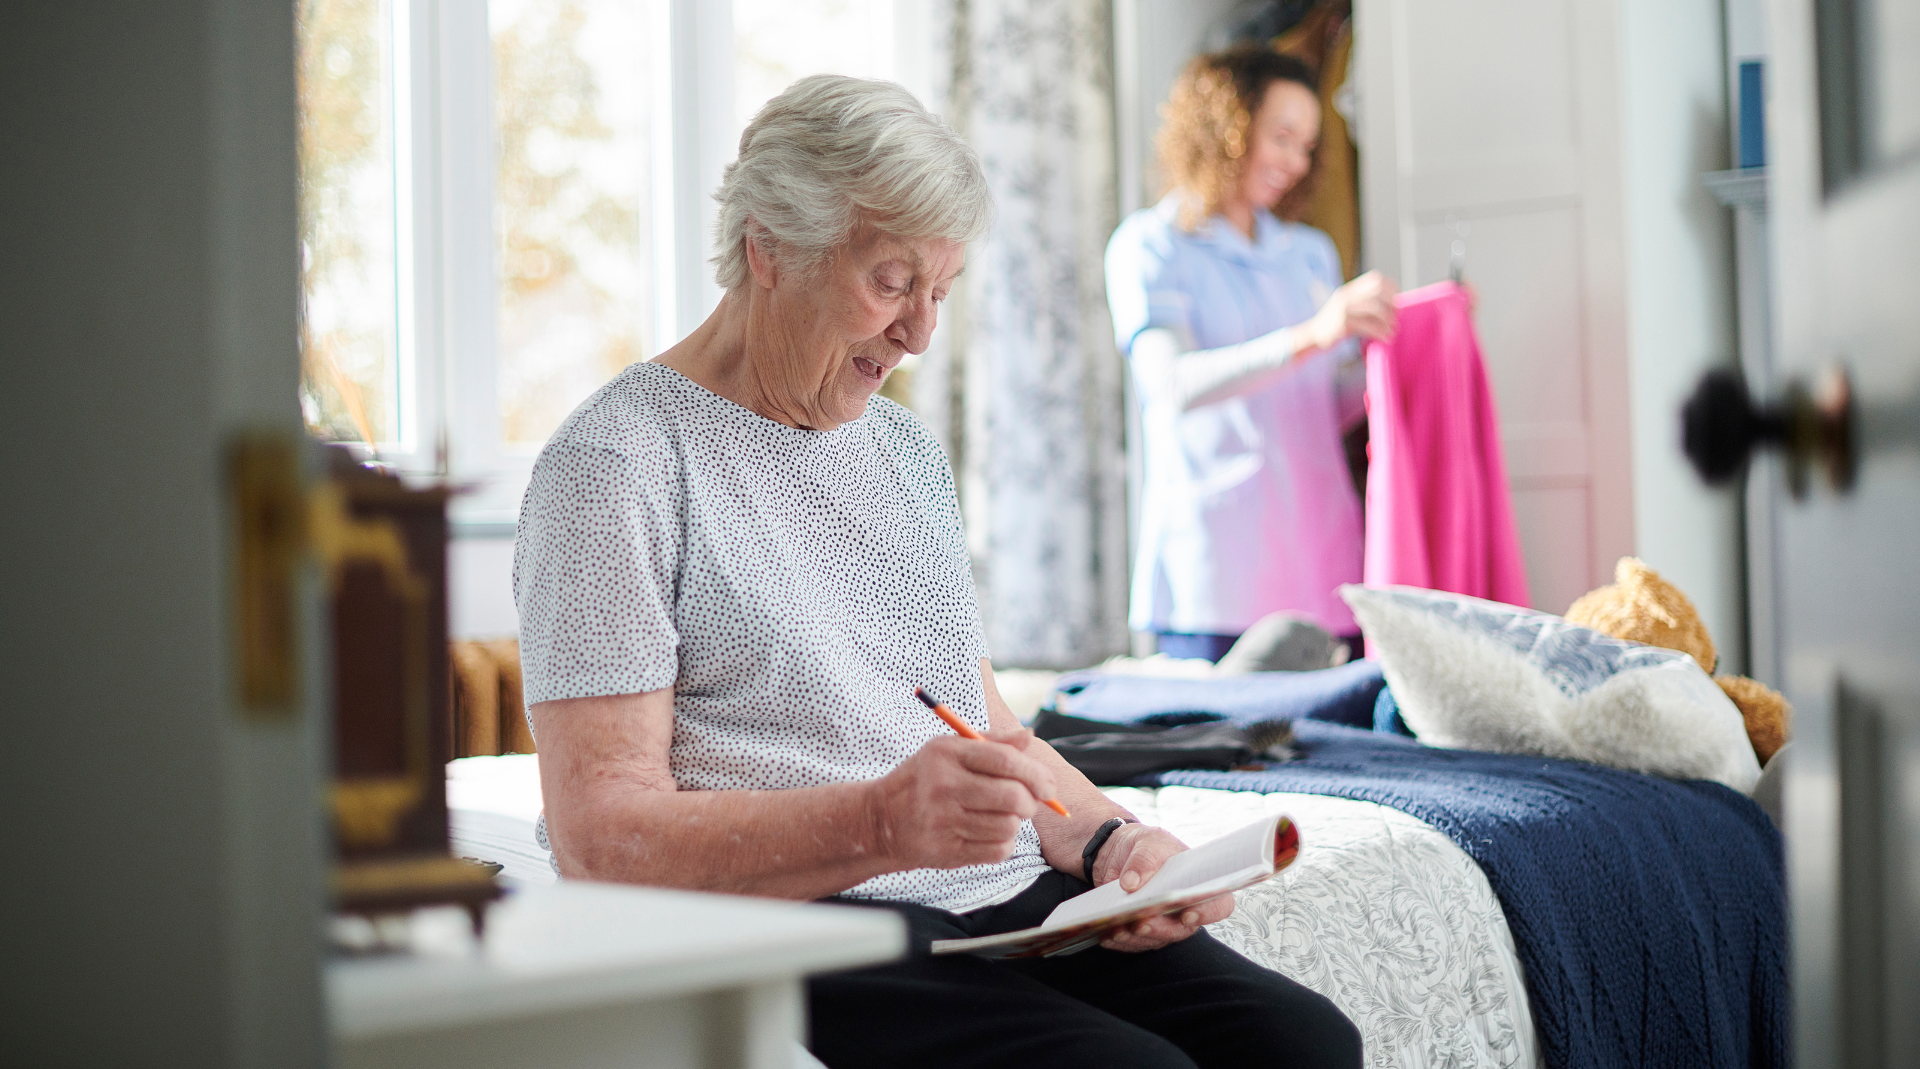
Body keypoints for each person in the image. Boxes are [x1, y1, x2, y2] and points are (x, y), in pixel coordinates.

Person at [515, 74, 1361, 1069]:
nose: (919, 333)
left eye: (941, 292)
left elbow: (989, 726)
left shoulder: (905, 451)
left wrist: (1109, 843)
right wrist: (878, 819)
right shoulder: (613, 466)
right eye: (890, 282)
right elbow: (602, 841)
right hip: (807, 921)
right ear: (768, 249)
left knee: (1307, 1045)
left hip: (997, 904)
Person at [1106, 48, 1399, 663]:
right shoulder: (1151, 246)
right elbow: (1172, 385)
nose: (1295, 162)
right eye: (1282, 138)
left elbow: (1324, 405)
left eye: (1307, 146)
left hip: (1321, 561)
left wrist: (1407, 352)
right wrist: (1315, 335)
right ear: (1225, 130)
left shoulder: (1310, 254)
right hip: (1214, 572)